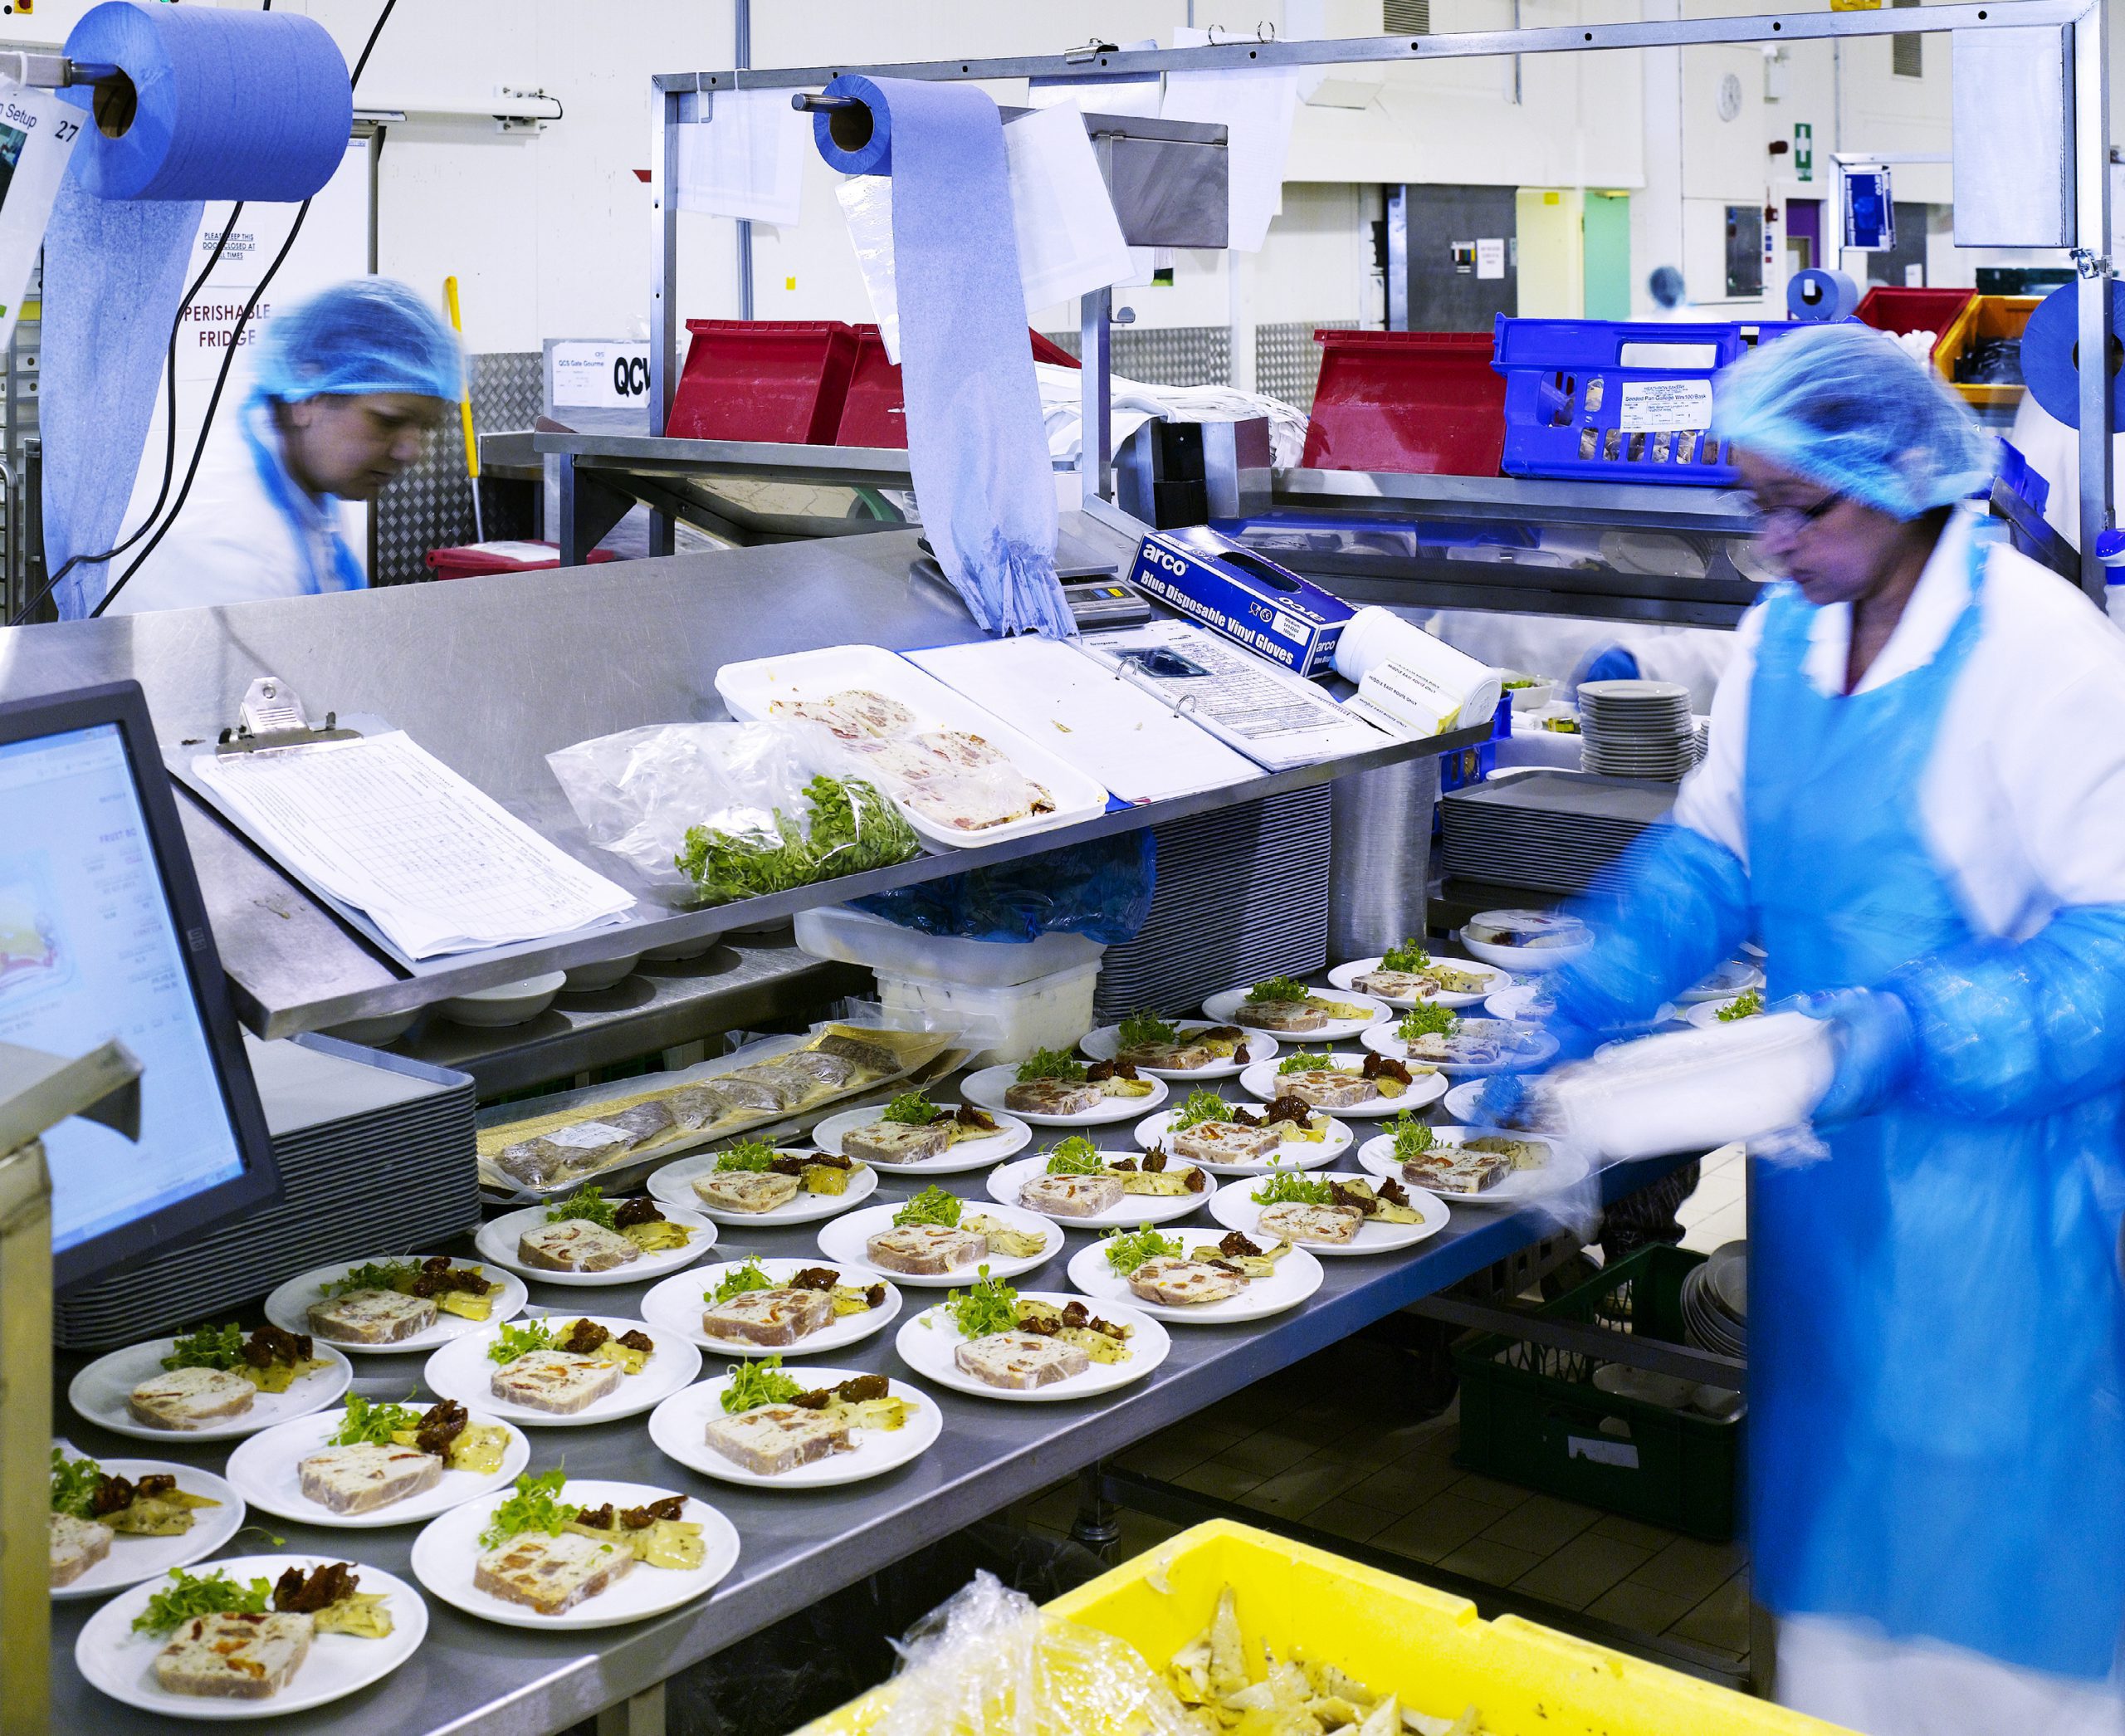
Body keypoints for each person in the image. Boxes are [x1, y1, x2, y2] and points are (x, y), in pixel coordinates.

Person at [1483, 321, 2125, 1734]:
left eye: (1802, 506)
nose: (1772, 542)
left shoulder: (2042, 656)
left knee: (1997, 1613)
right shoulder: (1781, 640)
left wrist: (1907, 1031)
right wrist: (1579, 991)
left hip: (1996, 1228)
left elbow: (2116, 954)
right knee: (1837, 1604)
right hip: (1828, 1199)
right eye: (1754, 503)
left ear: (1900, 480)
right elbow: (1715, 856)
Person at [105, 278, 460, 614]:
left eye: (425, 428)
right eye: (388, 421)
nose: (412, 452)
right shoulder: (231, 548)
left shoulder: (301, 479)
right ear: (307, 398)